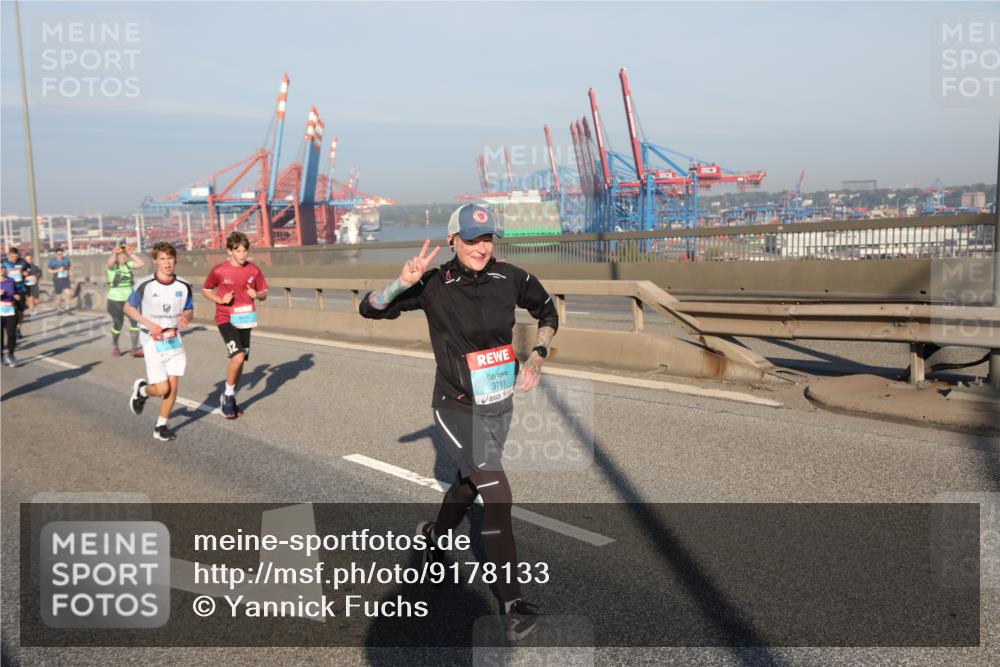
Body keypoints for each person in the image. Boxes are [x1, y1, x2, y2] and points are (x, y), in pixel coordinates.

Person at [359, 204, 558, 641]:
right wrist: (400, 283)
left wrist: (538, 355)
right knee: (497, 492)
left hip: (497, 402)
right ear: (453, 241)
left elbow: (548, 312)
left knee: (471, 484)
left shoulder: (512, 278)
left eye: (487, 239)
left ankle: (434, 533)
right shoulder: (433, 284)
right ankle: (513, 604)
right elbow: (369, 309)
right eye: (471, 240)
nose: (481, 248)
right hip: (454, 404)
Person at [124, 242, 194, 442]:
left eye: (170, 258)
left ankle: (161, 426)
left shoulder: (184, 285)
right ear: (155, 261)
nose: (167, 263)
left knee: (173, 385)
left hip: (173, 339)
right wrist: (148, 323)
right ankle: (143, 390)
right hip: (151, 339)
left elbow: (189, 309)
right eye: (163, 259)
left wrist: (186, 317)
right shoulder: (145, 285)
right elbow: (128, 308)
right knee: (162, 388)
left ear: (175, 260)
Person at [201, 231, 269, 419]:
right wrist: (221, 300)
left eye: (245, 251)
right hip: (226, 318)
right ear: (229, 251)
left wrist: (258, 295)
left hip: (245, 320)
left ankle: (229, 395)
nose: (242, 255)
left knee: (240, 362)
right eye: (238, 251)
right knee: (237, 357)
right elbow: (206, 290)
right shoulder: (219, 271)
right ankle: (228, 396)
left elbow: (264, 292)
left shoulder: (254, 270)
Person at [106, 241, 145, 357]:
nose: (122, 257)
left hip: (129, 299)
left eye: (124, 256)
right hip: (115, 300)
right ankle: (115, 345)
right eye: (120, 256)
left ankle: (134, 348)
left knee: (135, 322)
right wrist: (114, 253)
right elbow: (109, 263)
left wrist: (130, 253)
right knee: (118, 324)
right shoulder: (113, 267)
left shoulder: (129, 265)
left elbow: (141, 263)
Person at [2, 248, 31, 338]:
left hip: (20, 289)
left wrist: (26, 274)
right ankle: (9, 329)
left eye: (16, 256)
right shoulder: (4, 263)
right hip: (7, 289)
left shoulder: (23, 262)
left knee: (20, 311)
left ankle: (18, 328)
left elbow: (29, 273)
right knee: (8, 310)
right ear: (9, 255)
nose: (14, 258)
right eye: (12, 256)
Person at [1, 265, 20, 366]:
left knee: (11, 334)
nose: (1, 269)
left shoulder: (11, 280)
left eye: (3, 267)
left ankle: (11, 355)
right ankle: (0, 356)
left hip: (10, 310)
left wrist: (16, 296)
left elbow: (16, 291)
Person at [48, 248, 73, 312]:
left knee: (68, 292)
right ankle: (59, 307)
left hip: (65, 278)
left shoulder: (66, 260)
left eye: (61, 254)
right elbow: (49, 271)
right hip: (57, 280)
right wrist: (58, 270)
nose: (60, 255)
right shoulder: (52, 261)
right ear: (55, 254)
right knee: (59, 295)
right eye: (58, 254)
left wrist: (70, 271)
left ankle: (67, 307)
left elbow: (70, 266)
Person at [22, 252, 42, 317]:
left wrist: (36, 276)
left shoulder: (35, 267)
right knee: (31, 300)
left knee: (36, 301)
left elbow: (40, 273)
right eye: (27, 259)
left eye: (30, 259)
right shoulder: (23, 268)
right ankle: (32, 313)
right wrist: (23, 275)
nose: (29, 261)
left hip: (35, 286)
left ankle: (32, 308)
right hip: (27, 286)